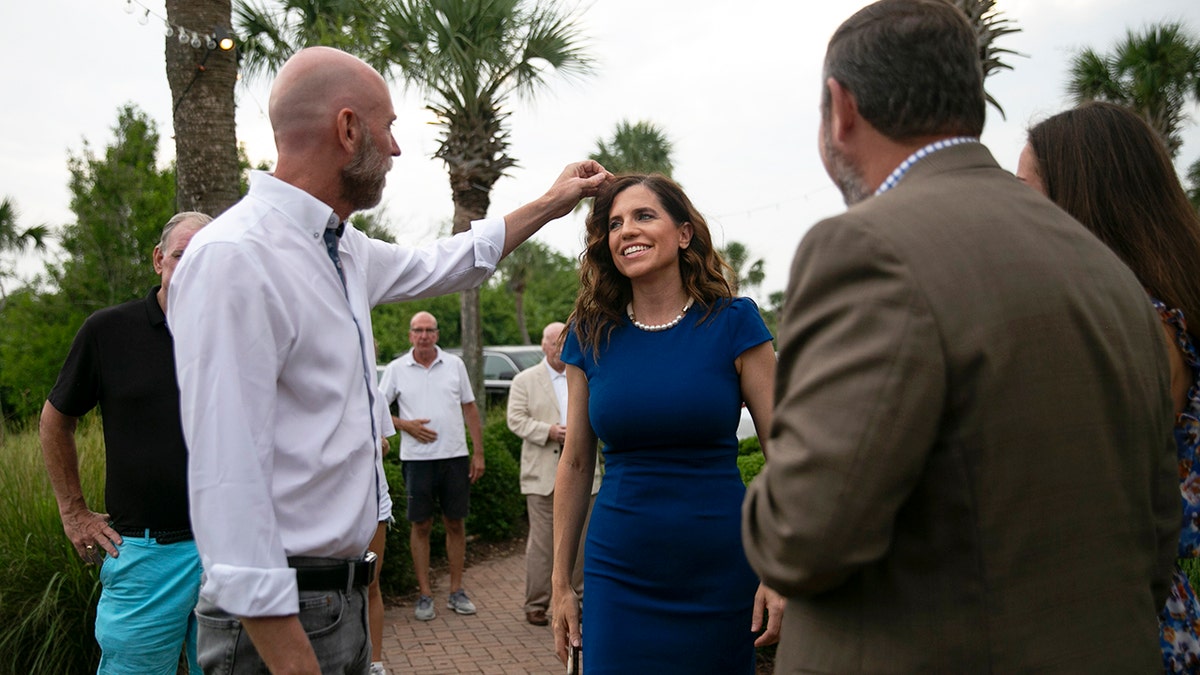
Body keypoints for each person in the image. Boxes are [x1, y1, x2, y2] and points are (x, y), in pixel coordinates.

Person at [741, 1, 1180, 672]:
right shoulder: (1105, 267)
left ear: (842, 107)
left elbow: (801, 536)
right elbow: (1154, 536)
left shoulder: (865, 247)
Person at [166, 46, 609, 674]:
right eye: (389, 127)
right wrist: (291, 659)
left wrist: (551, 201)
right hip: (276, 626)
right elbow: (225, 481)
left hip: (338, 604)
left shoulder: (342, 250)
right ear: (348, 130)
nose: (397, 149)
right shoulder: (235, 257)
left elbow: (447, 260)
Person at [550, 173, 784, 674]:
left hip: (720, 567)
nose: (626, 230)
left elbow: (786, 451)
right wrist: (560, 585)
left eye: (643, 215)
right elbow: (574, 463)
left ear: (683, 234)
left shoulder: (735, 323)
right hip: (619, 569)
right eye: (614, 223)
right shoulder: (589, 336)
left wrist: (782, 567)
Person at [1016, 100, 1200, 674]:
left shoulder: (1135, 327)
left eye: (1026, 191)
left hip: (1110, 630)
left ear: (1083, 199)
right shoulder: (1155, 313)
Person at [39, 211, 210, 675]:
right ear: (159, 259)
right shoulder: (109, 331)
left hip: (230, 552)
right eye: (181, 255)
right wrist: (73, 511)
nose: (193, 266)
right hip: (147, 558)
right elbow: (56, 420)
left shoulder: (236, 331)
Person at [378, 311, 484, 621]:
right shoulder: (397, 369)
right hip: (417, 460)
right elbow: (376, 408)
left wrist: (478, 453)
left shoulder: (455, 365)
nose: (424, 335)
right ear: (410, 335)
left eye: (429, 330)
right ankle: (425, 594)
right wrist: (405, 425)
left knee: (455, 523)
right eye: (418, 330)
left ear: (437, 334)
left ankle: (456, 590)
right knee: (420, 525)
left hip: (454, 456)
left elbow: (470, 407)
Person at [506, 321, 601, 627]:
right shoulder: (524, 380)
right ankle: (536, 603)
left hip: (585, 475)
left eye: (564, 342)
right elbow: (515, 420)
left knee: (583, 542)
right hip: (542, 475)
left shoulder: (588, 373)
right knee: (542, 544)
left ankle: (580, 601)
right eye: (553, 343)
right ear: (543, 346)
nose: (559, 348)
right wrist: (548, 431)